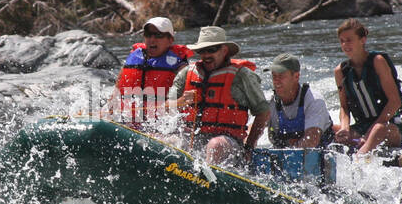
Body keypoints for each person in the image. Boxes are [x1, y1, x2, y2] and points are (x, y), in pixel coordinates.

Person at [169, 26, 268, 165]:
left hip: (229, 143)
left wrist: (249, 148)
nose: (206, 55)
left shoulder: (243, 76)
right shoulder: (186, 73)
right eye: (202, 51)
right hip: (193, 139)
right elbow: (167, 106)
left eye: (211, 50)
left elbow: (263, 112)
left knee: (215, 145)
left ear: (224, 50)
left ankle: (208, 182)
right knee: (169, 141)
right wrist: (181, 101)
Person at [333, 19, 402, 155]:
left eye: (349, 40)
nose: (345, 45)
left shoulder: (378, 61)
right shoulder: (340, 71)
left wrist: (370, 132)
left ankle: (359, 161)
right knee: (333, 130)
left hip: (389, 126)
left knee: (377, 130)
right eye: (342, 41)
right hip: (362, 126)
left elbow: (395, 101)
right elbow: (344, 107)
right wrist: (344, 128)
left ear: (363, 40)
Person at [112, 16, 191, 128]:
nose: (152, 39)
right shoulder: (134, 58)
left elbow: (182, 104)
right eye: (148, 35)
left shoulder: (181, 68)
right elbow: (115, 94)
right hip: (127, 121)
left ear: (170, 40)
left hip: (159, 126)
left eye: (158, 35)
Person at [266, 53, 334, 148]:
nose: (276, 81)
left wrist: (290, 151)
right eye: (274, 76)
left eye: (281, 76)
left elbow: (312, 141)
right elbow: (255, 126)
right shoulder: (270, 103)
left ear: (296, 76)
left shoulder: (314, 100)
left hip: (321, 157)